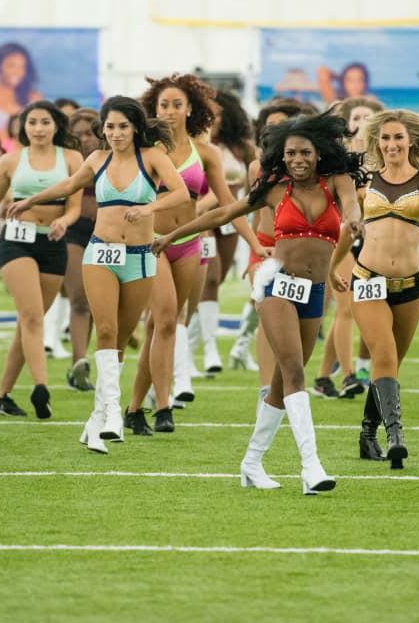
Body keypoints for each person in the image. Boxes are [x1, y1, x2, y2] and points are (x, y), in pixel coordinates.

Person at [154, 111, 364, 494]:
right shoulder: (274, 189)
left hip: (314, 291)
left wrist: (354, 221)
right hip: (276, 285)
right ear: (280, 156)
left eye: (304, 153)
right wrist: (170, 238)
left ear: (319, 154)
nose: (297, 160)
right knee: (296, 371)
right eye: (289, 154)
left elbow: (351, 207)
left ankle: (251, 463)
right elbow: (224, 212)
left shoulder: (338, 182)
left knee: (282, 383)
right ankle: (311, 468)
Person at [8, 96, 187, 451]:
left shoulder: (152, 157)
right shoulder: (97, 159)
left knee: (121, 338)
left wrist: (149, 207)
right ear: (102, 128)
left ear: (135, 127)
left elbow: (180, 193)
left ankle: (97, 417)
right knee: (104, 330)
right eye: (110, 126)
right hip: (101, 253)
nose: (116, 133)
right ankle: (113, 418)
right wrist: (30, 201)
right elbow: (68, 186)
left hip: (139, 256)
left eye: (122, 126)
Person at [125, 74, 261, 431]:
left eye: (177, 105)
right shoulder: (144, 150)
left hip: (188, 243)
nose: (169, 111)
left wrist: (256, 244)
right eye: (163, 105)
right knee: (167, 318)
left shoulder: (207, 153)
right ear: (152, 109)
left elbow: (229, 205)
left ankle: (135, 407)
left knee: (161, 325)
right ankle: (165, 406)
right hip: (150, 242)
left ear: (191, 110)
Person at [329, 110, 419, 468]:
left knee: (390, 364)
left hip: (410, 285)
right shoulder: (365, 181)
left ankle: (366, 434)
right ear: (377, 143)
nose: (391, 145)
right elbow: (349, 228)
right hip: (368, 280)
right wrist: (332, 267)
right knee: (384, 355)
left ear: (411, 141)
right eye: (385, 139)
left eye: (398, 138)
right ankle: (396, 438)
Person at [0, 101, 83, 419]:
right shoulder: (11, 160)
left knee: (27, 324)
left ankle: (1, 396)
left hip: (54, 244)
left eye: (45, 122)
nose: (38, 128)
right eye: (32, 123)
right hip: (16, 243)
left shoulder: (71, 158)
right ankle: (41, 388)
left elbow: (74, 207)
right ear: (22, 127)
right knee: (31, 317)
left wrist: (64, 222)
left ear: (56, 125)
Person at [229, 98, 306, 374]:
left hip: (299, 249)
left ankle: (287, 384)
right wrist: (254, 250)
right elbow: (252, 213)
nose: (274, 131)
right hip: (264, 246)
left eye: (281, 125)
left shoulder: (309, 166)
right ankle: (265, 390)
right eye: (269, 126)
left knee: (296, 322)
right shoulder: (256, 168)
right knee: (267, 316)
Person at [319, 95, 384, 398]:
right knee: (344, 307)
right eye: (355, 118)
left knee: (362, 309)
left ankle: (322, 377)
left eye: (367, 119)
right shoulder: (339, 159)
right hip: (343, 236)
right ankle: (347, 376)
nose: (360, 124)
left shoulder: (386, 159)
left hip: (376, 242)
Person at [193, 90, 257, 375]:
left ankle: (187, 346)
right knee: (210, 277)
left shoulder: (240, 147)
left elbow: (254, 181)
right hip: (201, 219)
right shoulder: (195, 145)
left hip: (230, 220)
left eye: (216, 113)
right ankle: (208, 350)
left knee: (212, 284)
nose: (211, 119)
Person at [61, 108, 103, 391]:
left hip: (107, 234)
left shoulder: (111, 158)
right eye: (78, 135)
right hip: (74, 232)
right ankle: (79, 363)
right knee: (79, 299)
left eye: (89, 133)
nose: (85, 139)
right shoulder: (67, 162)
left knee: (95, 303)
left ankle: (85, 360)